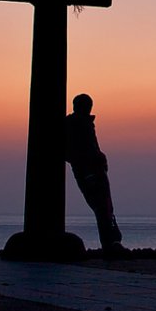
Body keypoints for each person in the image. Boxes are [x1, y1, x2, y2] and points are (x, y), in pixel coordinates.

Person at [64, 92, 125, 256]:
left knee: (105, 207)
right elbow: (71, 151)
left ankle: (112, 242)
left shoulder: (83, 123)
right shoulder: (75, 124)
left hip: (94, 169)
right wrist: (91, 159)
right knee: (101, 207)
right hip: (89, 171)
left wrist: (99, 157)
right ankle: (110, 244)